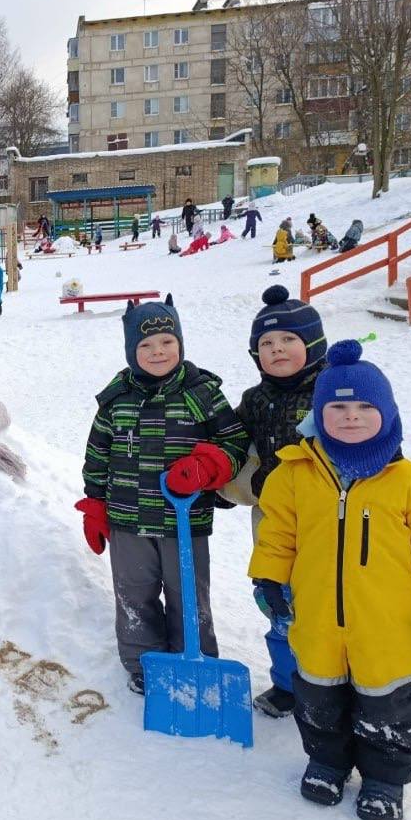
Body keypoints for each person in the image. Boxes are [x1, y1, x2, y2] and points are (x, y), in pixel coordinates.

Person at [249, 341, 411, 820]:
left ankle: (385, 777)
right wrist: (267, 578)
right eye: (338, 407)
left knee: (387, 702)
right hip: (315, 621)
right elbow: (277, 537)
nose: (351, 417)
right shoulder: (291, 477)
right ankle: (327, 761)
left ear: (387, 412)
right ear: (319, 414)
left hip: (386, 627)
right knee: (318, 697)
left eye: (365, 407)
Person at [76, 295, 249, 694]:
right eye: (146, 346)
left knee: (188, 595)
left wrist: (208, 466)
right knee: (134, 595)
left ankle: (197, 661)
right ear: (131, 351)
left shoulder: (202, 392)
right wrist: (95, 505)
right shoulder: (116, 398)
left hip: (184, 521)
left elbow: (235, 443)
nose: (158, 352)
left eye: (167, 343)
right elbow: (98, 453)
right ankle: (143, 662)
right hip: (127, 519)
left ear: (181, 343)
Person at [221, 286, 327, 719]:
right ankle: (288, 684)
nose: (277, 349)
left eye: (288, 340)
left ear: (313, 344)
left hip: (327, 524)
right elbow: (234, 447)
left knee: (329, 607)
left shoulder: (334, 393)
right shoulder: (255, 400)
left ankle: (335, 686)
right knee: (278, 603)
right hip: (271, 522)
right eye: (266, 343)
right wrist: (223, 485)